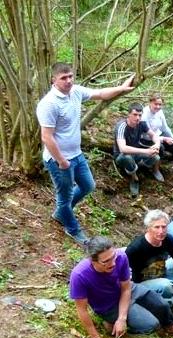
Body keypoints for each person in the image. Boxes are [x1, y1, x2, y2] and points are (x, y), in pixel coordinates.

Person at [37, 62, 135, 244]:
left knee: (88, 185)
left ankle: (62, 213)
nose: (68, 81)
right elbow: (46, 137)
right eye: (63, 78)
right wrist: (62, 161)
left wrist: (122, 88)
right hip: (59, 160)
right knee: (64, 197)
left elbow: (99, 93)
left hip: (77, 154)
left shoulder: (75, 91)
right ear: (53, 80)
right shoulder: (48, 104)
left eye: (70, 76)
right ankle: (72, 228)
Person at [69, 236, 173, 338]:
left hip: (128, 290)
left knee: (161, 305)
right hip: (109, 306)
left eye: (113, 257)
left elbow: (126, 288)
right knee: (151, 324)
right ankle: (110, 324)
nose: (113, 263)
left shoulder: (121, 257)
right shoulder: (80, 275)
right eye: (106, 261)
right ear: (92, 260)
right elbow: (82, 310)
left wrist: (122, 318)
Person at [125, 209, 173, 305]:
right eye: (156, 227)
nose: (161, 231)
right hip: (142, 283)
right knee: (166, 286)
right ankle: (168, 306)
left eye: (164, 227)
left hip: (162, 272)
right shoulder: (135, 248)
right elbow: (123, 275)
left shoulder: (168, 239)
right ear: (148, 228)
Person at [113, 103, 164, 197]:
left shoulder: (142, 124)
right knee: (127, 158)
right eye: (135, 115)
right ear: (129, 114)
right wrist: (146, 151)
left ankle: (139, 167)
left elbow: (153, 135)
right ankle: (134, 178)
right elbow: (123, 149)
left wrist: (156, 144)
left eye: (140, 115)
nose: (137, 118)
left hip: (136, 153)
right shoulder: (122, 126)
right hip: (121, 156)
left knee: (155, 157)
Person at [141, 94, 173, 184]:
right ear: (150, 102)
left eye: (160, 104)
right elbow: (146, 134)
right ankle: (156, 169)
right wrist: (164, 139)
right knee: (160, 148)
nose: (158, 106)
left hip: (160, 135)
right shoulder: (144, 114)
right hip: (147, 139)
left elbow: (165, 128)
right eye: (156, 104)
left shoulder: (160, 112)